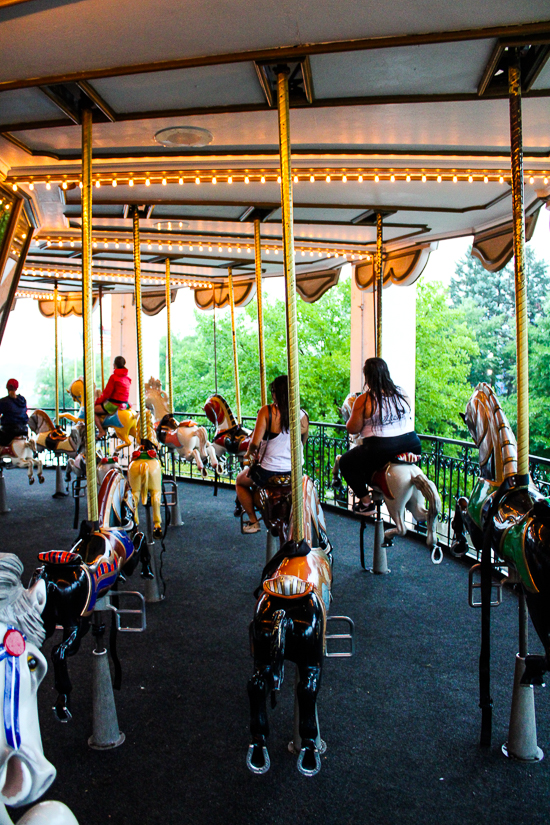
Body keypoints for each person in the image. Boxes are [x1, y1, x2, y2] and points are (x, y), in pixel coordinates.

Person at [339, 357, 421, 514]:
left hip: (381, 449)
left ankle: (365, 502)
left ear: (368, 377)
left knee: (346, 462)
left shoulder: (364, 399)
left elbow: (352, 428)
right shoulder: (401, 392)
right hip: (412, 444)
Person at [236, 375, 308, 534]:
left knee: (240, 481)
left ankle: (253, 521)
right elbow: (302, 444)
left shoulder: (267, 411)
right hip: (294, 472)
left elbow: (255, 443)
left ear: (276, 393)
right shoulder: (303, 416)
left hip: (269, 471)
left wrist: (249, 454)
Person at [94, 356, 131, 437]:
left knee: (91, 411)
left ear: (114, 365)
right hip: (125, 404)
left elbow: (107, 394)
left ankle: (101, 431)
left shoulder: (114, 377)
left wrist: (97, 402)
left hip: (114, 404)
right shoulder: (127, 378)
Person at [0, 379, 29, 447]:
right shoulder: (22, 400)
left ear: (7, 388)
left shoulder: (4, 401)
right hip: (24, 430)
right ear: (17, 388)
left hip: (9, 432)